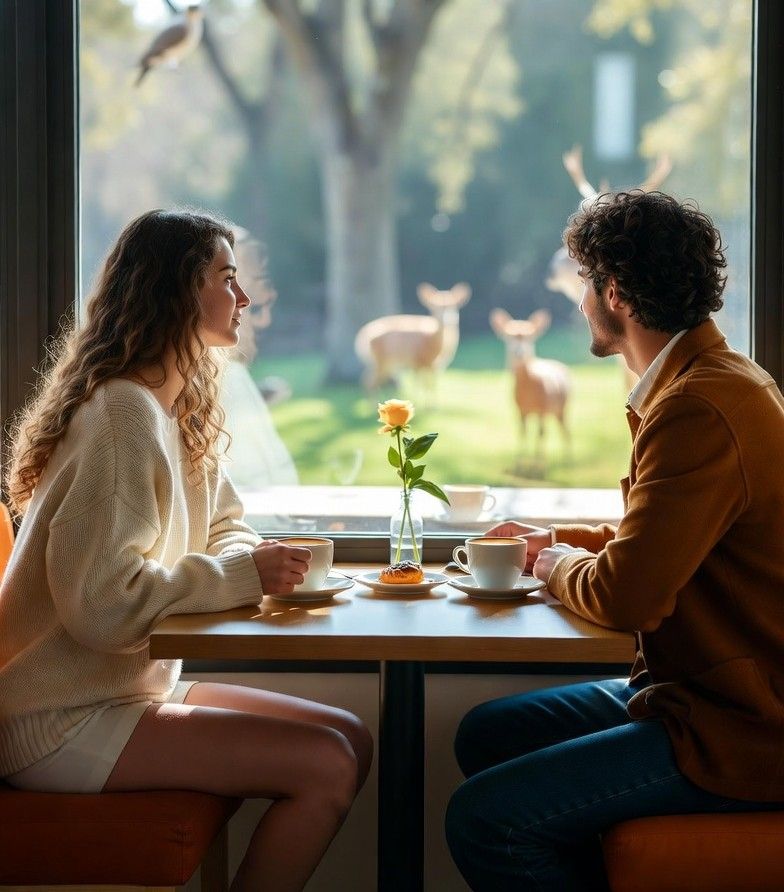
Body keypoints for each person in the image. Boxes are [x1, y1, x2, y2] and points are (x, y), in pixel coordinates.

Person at [0, 209, 373, 892]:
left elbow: (228, 524)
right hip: (60, 717)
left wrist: (246, 564)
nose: (244, 297)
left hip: (125, 688)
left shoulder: (176, 405)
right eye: (227, 279)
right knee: (327, 764)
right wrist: (241, 575)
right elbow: (103, 609)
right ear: (175, 290)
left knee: (350, 736)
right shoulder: (123, 416)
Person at [445, 190, 784, 891]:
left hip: (745, 727)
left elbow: (628, 596)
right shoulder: (712, 380)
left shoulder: (697, 405)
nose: (578, 303)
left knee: (485, 820)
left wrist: (554, 562)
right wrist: (557, 539)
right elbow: (669, 535)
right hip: (703, 693)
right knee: (487, 732)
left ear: (616, 293)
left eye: (583, 284)